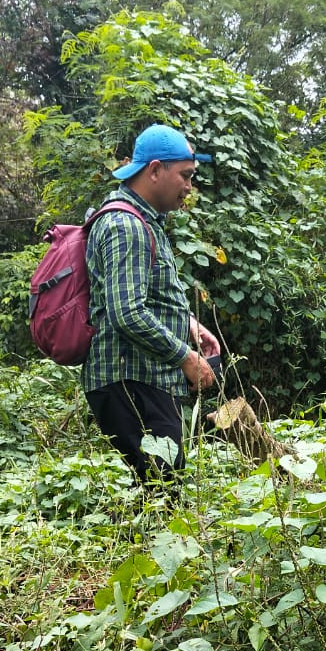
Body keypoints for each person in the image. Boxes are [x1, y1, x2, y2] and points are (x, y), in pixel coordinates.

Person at [83, 123, 220, 483]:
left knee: (160, 489)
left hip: (144, 378)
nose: (190, 187)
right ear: (155, 170)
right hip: (130, 380)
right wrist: (185, 357)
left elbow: (148, 294)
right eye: (185, 176)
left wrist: (189, 324)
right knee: (163, 490)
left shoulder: (146, 221)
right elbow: (126, 311)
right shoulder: (125, 225)